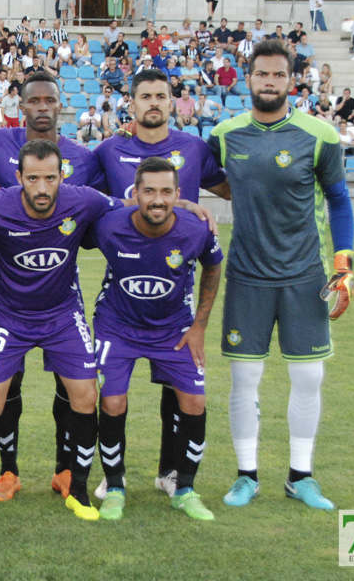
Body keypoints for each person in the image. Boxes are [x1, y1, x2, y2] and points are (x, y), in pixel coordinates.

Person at [208, 39, 354, 511]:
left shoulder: (320, 135)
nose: (269, 82)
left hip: (304, 276)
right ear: (246, 79)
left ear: (291, 81)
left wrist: (343, 264)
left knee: (309, 377)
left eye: (278, 75)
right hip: (247, 276)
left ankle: (300, 476)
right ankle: (246, 476)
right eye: (261, 74)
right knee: (244, 378)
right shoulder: (226, 134)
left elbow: (339, 200)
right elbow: (200, 176)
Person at [0, 140, 111, 521]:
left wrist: (184, 206)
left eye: (50, 178)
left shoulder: (83, 200)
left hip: (62, 315)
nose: (41, 187)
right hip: (8, 315)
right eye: (33, 178)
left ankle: (80, 490)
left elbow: (126, 212)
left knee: (86, 396)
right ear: (18, 177)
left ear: (61, 177)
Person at [84, 156, 223, 521]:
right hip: (117, 326)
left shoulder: (196, 229)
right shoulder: (109, 225)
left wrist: (199, 326)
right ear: (136, 194)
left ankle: (186, 488)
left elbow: (213, 266)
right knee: (112, 403)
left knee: (194, 401)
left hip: (174, 329)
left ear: (178, 194)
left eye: (166, 191)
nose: (157, 200)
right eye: (149, 191)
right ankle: (114, 486)